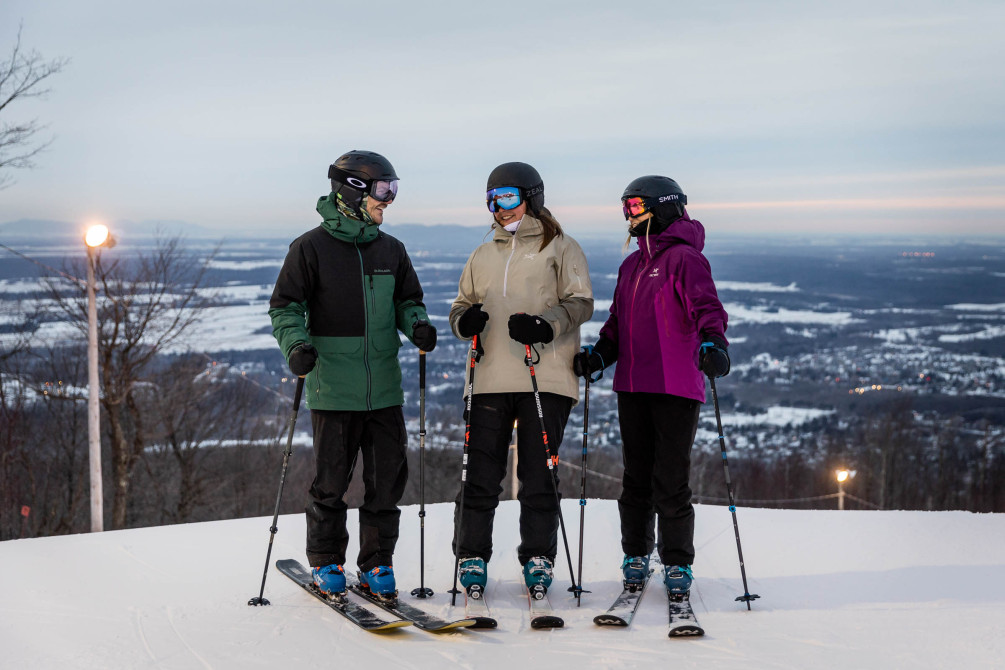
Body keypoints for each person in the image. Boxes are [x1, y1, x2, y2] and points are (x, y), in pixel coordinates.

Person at [269, 150, 437, 600]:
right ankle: (327, 562)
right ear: (353, 190)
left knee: (386, 484)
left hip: (384, 388)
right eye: (383, 191)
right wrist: (297, 347)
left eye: (392, 190)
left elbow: (407, 301)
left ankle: (378, 563)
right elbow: (286, 308)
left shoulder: (391, 250)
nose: (389, 200)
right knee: (331, 485)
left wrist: (415, 323)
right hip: (333, 389)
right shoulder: (310, 249)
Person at [574, 175, 729, 596]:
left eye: (636, 206)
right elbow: (617, 325)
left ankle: (677, 562)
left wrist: (714, 344)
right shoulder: (632, 265)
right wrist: (600, 355)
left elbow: (707, 308)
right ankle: (636, 555)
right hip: (633, 386)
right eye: (625, 207)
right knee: (636, 478)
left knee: (671, 479)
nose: (629, 215)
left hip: (675, 385)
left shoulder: (684, 259)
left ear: (663, 207)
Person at [449, 161, 593, 595]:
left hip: (544, 376)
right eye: (492, 199)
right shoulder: (482, 253)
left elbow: (580, 302)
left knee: (538, 473)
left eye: (508, 197)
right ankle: (472, 554)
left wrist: (545, 325)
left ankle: (538, 557)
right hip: (488, 377)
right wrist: (465, 322)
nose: (499, 208)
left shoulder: (562, 248)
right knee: (479, 474)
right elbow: (460, 307)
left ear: (532, 197)